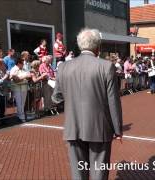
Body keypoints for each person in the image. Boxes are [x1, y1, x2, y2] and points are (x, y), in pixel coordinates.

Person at [52, 28, 123, 180]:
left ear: (79, 45)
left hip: (73, 127)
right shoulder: (106, 66)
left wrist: (72, 100)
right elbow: (113, 101)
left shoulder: (64, 67)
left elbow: (56, 97)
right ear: (98, 47)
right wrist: (118, 129)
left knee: (78, 173)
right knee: (98, 172)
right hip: (100, 127)